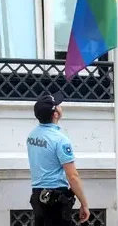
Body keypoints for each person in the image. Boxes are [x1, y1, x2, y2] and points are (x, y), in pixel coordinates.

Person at [26, 91, 90, 225]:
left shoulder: (32, 136)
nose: (61, 106)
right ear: (56, 114)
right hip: (55, 200)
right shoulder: (60, 140)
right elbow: (72, 176)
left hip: (38, 196)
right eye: (58, 105)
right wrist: (84, 204)